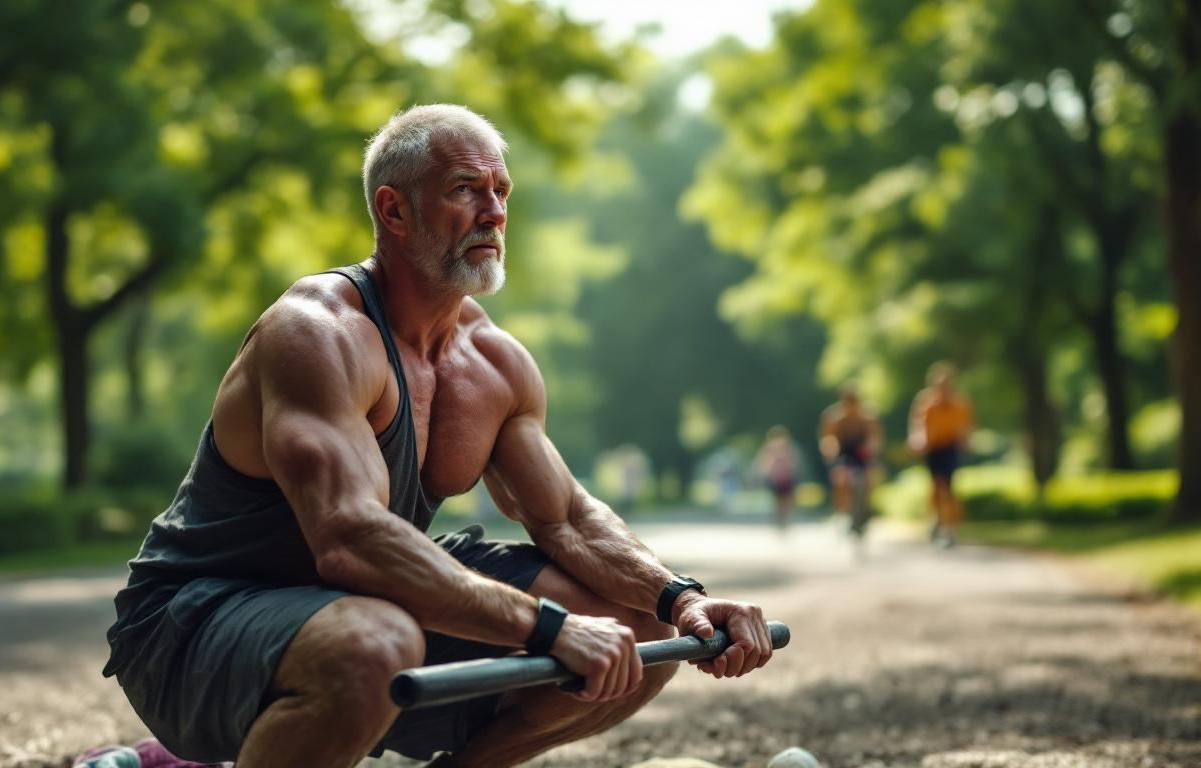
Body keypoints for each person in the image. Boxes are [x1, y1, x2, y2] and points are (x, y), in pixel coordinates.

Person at [101, 104, 776, 768]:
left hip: (351, 605)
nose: (494, 212)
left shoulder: (494, 361)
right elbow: (350, 537)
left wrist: (681, 598)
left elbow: (566, 518)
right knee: (376, 644)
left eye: (501, 191)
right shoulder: (316, 333)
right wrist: (550, 628)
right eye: (464, 190)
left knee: (639, 630)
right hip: (193, 622)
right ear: (394, 211)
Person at [908, 362, 975, 548]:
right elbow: (918, 426)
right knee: (936, 485)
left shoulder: (960, 403)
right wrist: (917, 441)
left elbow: (966, 427)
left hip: (950, 446)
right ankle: (936, 517)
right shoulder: (926, 401)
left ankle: (950, 527)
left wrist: (965, 442)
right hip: (932, 448)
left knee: (949, 485)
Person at [818, 383, 883, 539]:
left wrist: (871, 448)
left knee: (870, 478)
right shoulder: (833, 417)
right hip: (842, 453)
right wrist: (830, 450)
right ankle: (842, 513)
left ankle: (865, 512)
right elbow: (827, 438)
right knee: (840, 479)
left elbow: (875, 438)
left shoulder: (868, 416)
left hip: (861, 453)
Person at [755, 426, 800, 530]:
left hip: (788, 478)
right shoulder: (769, 449)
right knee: (778, 500)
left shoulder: (789, 449)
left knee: (787, 500)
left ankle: (785, 518)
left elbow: (794, 463)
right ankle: (780, 518)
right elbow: (764, 463)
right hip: (775, 479)